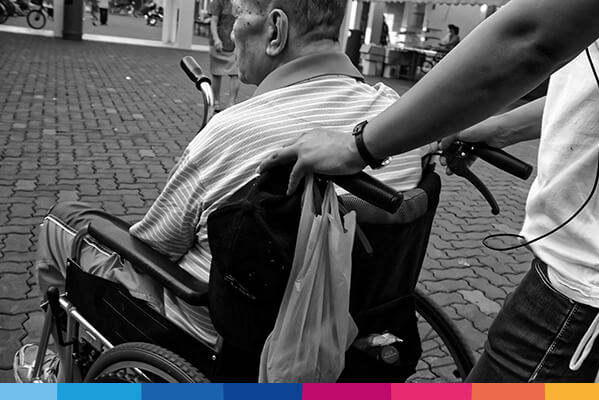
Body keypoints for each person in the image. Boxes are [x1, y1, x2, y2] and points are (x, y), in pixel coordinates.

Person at [14, 0, 429, 383]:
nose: (231, 30)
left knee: (64, 221)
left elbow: (153, 248)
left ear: (275, 30)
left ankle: (59, 368)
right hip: (350, 330)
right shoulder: (396, 120)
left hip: (222, 336)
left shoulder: (235, 130)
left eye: (238, 12)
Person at [258, 0, 599, 382]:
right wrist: (499, 128)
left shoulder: (244, 125)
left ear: (276, 29)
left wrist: (358, 146)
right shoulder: (384, 99)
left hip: (582, 287)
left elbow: (530, 36)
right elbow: (584, 88)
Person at [209, 0, 240, 112]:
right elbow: (213, 21)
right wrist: (216, 39)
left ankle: (231, 103)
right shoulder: (218, 2)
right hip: (219, 44)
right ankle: (216, 101)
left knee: (235, 74)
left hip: (235, 44)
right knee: (217, 73)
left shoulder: (241, 2)